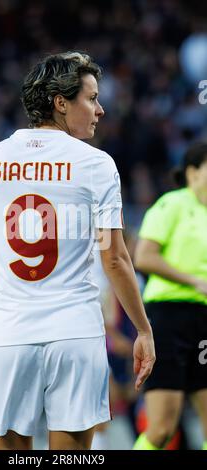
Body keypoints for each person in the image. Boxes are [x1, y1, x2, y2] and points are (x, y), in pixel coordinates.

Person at [0, 51, 155, 451]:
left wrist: (4, 293)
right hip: (75, 332)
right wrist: (142, 329)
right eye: (92, 98)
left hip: (8, 333)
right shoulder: (96, 164)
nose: (100, 110)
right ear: (61, 102)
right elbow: (115, 258)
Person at [133, 142, 207, 450]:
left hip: (204, 321)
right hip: (169, 317)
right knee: (163, 427)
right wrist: (195, 282)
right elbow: (144, 257)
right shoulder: (172, 204)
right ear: (193, 172)